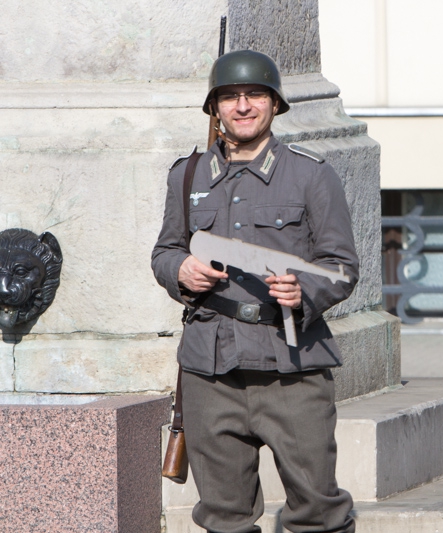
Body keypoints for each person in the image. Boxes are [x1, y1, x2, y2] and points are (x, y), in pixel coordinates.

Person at [151, 50, 358, 533]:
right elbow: (164, 250)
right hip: (211, 368)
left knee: (317, 510)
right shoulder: (187, 175)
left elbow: (342, 266)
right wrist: (181, 270)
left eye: (254, 95)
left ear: (275, 104)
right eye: (230, 97)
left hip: (291, 366)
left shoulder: (311, 174)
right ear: (215, 108)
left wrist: (302, 290)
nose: (242, 106)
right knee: (224, 515)